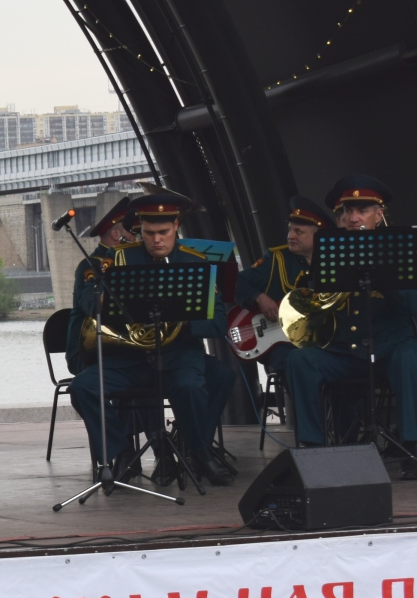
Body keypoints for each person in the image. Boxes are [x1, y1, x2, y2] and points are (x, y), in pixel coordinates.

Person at [66, 192, 231, 487]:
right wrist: (100, 300)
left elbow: (218, 322)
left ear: (176, 226)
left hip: (179, 356)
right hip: (131, 359)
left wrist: (183, 317)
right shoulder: (119, 259)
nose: (156, 240)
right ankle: (120, 453)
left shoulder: (196, 263)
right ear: (140, 228)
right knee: (83, 387)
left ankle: (199, 453)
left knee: (191, 386)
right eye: (149, 232)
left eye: (163, 232)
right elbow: (88, 298)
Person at [283, 176, 417, 470]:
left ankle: (412, 446)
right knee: (299, 360)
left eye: (362, 210)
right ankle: (312, 446)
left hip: (389, 349)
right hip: (346, 352)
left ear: (378, 215)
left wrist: (386, 274)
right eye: (347, 211)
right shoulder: (330, 252)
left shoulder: (401, 250)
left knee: (410, 356)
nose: (353, 217)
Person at [232, 196, 330, 379]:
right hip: (281, 344)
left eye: (299, 232)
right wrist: (259, 297)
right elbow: (234, 281)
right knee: (292, 362)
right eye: (290, 230)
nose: (291, 236)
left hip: (320, 341)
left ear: (318, 236)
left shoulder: (333, 262)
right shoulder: (277, 258)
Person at [64, 198, 133, 376]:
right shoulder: (90, 266)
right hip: (86, 351)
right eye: (133, 232)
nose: (136, 237)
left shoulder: (129, 263)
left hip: (120, 348)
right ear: (116, 234)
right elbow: (91, 305)